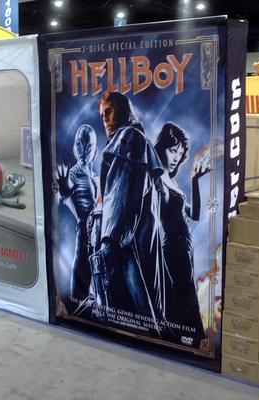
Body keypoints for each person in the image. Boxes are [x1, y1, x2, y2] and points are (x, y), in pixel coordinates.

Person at [88, 91, 166, 336]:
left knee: (138, 310)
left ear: (124, 111)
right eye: (102, 114)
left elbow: (121, 192)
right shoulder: (129, 140)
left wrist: (109, 240)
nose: (104, 118)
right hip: (124, 237)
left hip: (122, 240)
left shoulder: (128, 137)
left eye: (109, 111)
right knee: (136, 311)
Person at [153, 122, 209, 347]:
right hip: (174, 247)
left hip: (183, 247)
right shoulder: (158, 180)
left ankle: (187, 339)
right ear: (162, 148)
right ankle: (187, 340)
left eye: (180, 152)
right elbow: (159, 211)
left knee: (185, 295)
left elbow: (194, 215)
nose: (176, 157)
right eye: (172, 150)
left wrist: (195, 181)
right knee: (183, 296)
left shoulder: (171, 181)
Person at [56, 124, 98, 305]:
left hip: (97, 233)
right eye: (80, 143)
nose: (84, 149)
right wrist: (65, 194)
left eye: (89, 145)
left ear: (94, 149)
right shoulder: (73, 174)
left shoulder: (94, 176)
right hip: (85, 232)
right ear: (75, 145)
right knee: (82, 275)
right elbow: (61, 197)